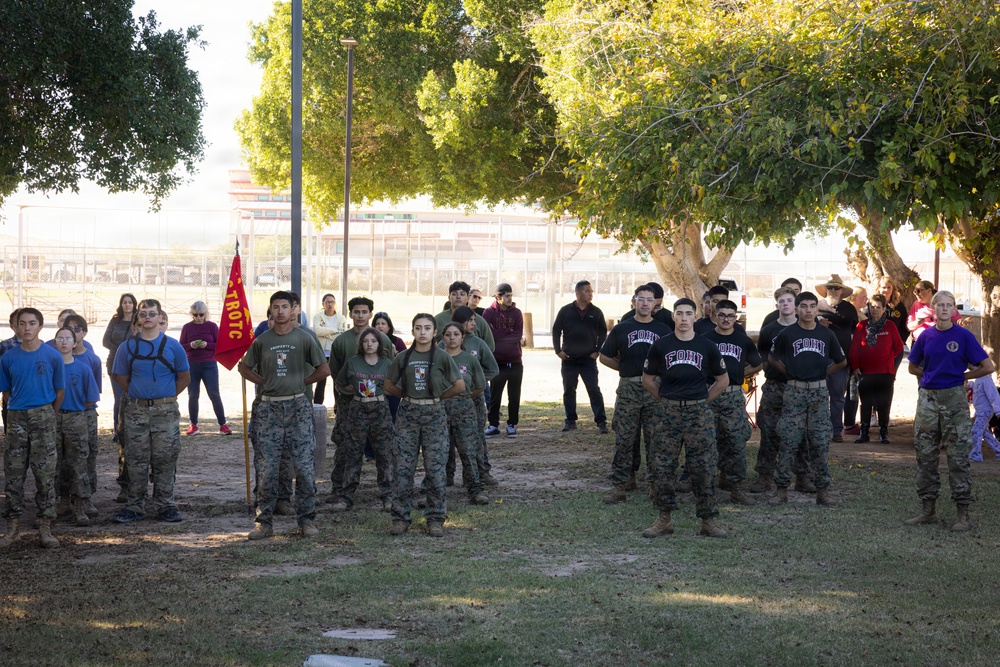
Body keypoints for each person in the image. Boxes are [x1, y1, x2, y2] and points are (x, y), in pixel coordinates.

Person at [239, 291, 329, 540]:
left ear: (294, 310)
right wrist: (263, 382)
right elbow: (244, 367)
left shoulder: (305, 338)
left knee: (303, 467)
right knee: (266, 467)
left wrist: (302, 382)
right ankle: (264, 522)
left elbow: (324, 369)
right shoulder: (262, 341)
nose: (280, 312)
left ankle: (307, 520)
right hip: (268, 409)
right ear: (270, 311)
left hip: (297, 408)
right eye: (275, 307)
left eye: (284, 307)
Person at [905, 290, 994, 532]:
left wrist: (962, 377)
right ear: (933, 309)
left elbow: (987, 366)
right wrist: (931, 377)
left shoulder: (963, 336)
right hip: (928, 400)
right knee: (926, 455)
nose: (944, 309)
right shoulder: (925, 336)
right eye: (940, 305)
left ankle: (962, 513)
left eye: (948, 305)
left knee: (957, 456)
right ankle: (928, 510)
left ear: (953, 310)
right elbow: (913, 366)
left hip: (954, 399)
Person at [641, 298, 730, 538]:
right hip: (668, 412)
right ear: (673, 317)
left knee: (704, 467)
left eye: (688, 313)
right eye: (679, 313)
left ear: (695, 316)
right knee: (662, 466)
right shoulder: (661, 346)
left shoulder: (707, 346)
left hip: (698, 413)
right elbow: (647, 379)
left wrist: (702, 401)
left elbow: (723, 380)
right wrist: (666, 399)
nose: (683, 318)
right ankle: (664, 519)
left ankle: (708, 521)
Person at [111, 299, 191, 524]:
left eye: (152, 313)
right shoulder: (126, 347)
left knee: (165, 458)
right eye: (143, 313)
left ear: (159, 318)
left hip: (165, 411)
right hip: (136, 411)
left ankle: (165, 505)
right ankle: (135, 505)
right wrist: (141, 394)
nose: (147, 317)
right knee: (135, 459)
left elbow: (184, 378)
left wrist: (164, 397)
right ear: (137, 318)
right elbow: (120, 377)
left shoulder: (173, 346)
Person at [384, 314, 464, 537]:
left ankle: (435, 518)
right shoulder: (402, 357)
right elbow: (389, 384)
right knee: (403, 468)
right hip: (408, 414)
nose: (422, 332)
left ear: (434, 332)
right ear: (412, 331)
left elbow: (459, 385)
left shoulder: (442, 356)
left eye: (427, 328)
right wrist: (408, 396)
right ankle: (400, 518)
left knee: (435, 469)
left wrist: (437, 397)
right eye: (418, 328)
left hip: (434, 413)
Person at [768, 291, 847, 506]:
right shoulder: (788, 333)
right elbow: (772, 358)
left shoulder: (826, 334)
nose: (808, 310)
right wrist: (790, 372)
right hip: (794, 391)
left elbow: (841, 361)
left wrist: (823, 373)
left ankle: (823, 490)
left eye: (813, 306)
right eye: (804, 306)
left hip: (819, 393)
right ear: (796, 308)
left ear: (816, 309)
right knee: (788, 440)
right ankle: (781, 489)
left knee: (820, 441)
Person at [0, 308, 65, 549]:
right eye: (22, 323)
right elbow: (5, 392)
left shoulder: (52, 355)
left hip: (44, 416)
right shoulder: (8, 358)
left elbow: (60, 391)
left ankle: (45, 527)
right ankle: (13, 529)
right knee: (14, 475)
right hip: (16, 418)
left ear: (40, 326)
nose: (27, 328)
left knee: (45, 475)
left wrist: (48, 414)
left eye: (32, 323)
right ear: (15, 327)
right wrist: (16, 410)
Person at [600, 285, 672, 503]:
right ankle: (620, 484)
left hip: (654, 389)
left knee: (655, 438)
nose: (644, 303)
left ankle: (654, 484)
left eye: (649, 300)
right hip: (629, 387)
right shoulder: (622, 328)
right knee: (624, 438)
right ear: (633, 302)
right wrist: (624, 368)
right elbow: (604, 356)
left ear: (655, 304)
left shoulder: (663, 331)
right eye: (640, 299)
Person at [327, 297, 395, 511]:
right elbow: (337, 376)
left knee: (384, 450)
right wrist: (344, 397)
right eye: (356, 312)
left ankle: (388, 493)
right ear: (350, 314)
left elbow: (393, 377)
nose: (360, 315)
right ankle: (341, 490)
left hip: (378, 407)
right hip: (352, 406)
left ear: (370, 314)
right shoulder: (341, 342)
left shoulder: (382, 342)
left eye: (364, 312)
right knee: (348, 447)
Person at [753, 287, 814, 493]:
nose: (785, 304)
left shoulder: (805, 328)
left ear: (795, 305)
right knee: (769, 431)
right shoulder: (769, 330)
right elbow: (762, 358)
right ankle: (764, 476)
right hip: (774, 386)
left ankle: (803, 477)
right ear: (777, 304)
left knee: (801, 432)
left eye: (789, 300)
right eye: (781, 301)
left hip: (798, 387)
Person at [703, 299, 763, 504]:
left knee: (736, 441)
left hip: (733, 395)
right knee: (708, 441)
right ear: (715, 316)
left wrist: (736, 374)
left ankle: (736, 487)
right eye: (722, 315)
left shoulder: (742, 339)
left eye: (730, 316)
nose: (726, 319)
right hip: (710, 393)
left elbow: (758, 364)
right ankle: (705, 488)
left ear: (735, 318)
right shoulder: (706, 338)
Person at [53, 326, 99, 526]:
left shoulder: (83, 368)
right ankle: (62, 501)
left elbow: (90, 399)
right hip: (53, 418)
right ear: (55, 342)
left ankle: (80, 506)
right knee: (55, 463)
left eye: (68, 338)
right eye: (60, 338)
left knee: (78, 462)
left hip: (76, 417)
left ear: (75, 342)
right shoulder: (50, 367)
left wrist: (75, 410)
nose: (64, 342)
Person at [447, 307, 499, 486]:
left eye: (473, 320)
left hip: (473, 398)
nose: (473, 324)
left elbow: (492, 369)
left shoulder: (478, 343)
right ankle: (447, 475)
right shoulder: (445, 343)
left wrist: (474, 383)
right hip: (448, 399)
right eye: (469, 320)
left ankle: (481, 472)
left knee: (476, 436)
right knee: (446, 438)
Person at [440, 321, 490, 505]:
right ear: (442, 337)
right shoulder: (438, 358)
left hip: (465, 409)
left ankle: (475, 490)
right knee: (440, 450)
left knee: (468, 450)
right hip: (441, 408)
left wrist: (463, 396)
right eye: (448, 334)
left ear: (462, 337)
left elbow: (480, 385)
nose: (452, 338)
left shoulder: (470, 359)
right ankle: (435, 490)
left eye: (456, 334)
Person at [552, 280, 608, 433]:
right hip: (569, 359)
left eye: (591, 291)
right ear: (578, 293)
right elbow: (556, 331)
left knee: (594, 390)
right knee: (569, 391)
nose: (591, 294)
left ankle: (601, 422)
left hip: (588, 361)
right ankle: (570, 421)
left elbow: (603, 333)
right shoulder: (565, 311)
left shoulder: (596, 312)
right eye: (587, 291)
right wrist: (558, 350)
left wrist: (598, 351)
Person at [848, 295, 903, 444]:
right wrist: (856, 367)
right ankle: (864, 433)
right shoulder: (862, 326)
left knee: (883, 403)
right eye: (872, 307)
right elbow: (855, 349)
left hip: (885, 372)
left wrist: (887, 357)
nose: (875, 310)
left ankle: (883, 433)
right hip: (865, 372)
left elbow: (898, 347)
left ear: (884, 308)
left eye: (878, 307)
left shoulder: (890, 326)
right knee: (866, 402)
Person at [63, 314, 102, 517]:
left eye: (77, 329)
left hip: (85, 414)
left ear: (84, 333)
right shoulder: (55, 357)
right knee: (62, 459)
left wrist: (81, 409)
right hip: (62, 414)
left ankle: (85, 499)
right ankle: (63, 499)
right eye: (68, 329)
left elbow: (93, 392)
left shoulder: (91, 359)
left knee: (86, 456)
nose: (73, 332)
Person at [815, 274, 858, 443]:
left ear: (842, 290)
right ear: (825, 290)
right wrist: (819, 323)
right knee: (819, 396)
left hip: (841, 359)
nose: (833, 290)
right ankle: (819, 429)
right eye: (830, 287)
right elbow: (804, 323)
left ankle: (836, 431)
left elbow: (857, 333)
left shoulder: (849, 309)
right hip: (819, 358)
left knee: (838, 396)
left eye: (836, 287)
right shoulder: (817, 306)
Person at [179, 301, 231, 436]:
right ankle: (193, 424)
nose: (198, 318)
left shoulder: (212, 326)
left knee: (214, 394)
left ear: (206, 314)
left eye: (201, 315)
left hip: (209, 364)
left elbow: (220, 344)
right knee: (193, 395)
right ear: (192, 315)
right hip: (191, 364)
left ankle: (223, 424)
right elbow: (181, 346)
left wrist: (206, 345)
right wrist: (191, 345)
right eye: (195, 315)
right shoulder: (187, 328)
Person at [483, 283, 524, 438]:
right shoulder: (488, 313)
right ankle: (493, 425)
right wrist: (507, 333)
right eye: (506, 296)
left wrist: (502, 336)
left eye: (511, 295)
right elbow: (490, 335)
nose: (510, 298)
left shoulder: (517, 313)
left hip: (515, 361)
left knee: (514, 395)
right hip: (497, 361)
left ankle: (512, 424)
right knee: (495, 395)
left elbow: (517, 335)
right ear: (498, 297)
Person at [103, 292, 137, 448]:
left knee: (132, 396)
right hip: (115, 363)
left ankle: (133, 427)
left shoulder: (138, 321)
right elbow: (105, 340)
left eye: (130, 302)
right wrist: (121, 349)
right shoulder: (115, 321)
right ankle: (118, 429)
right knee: (118, 397)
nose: (128, 305)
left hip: (134, 364)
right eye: (125, 302)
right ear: (121, 304)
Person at [435, 281, 495, 350]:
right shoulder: (438, 319)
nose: (458, 297)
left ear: (468, 298)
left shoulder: (478, 320)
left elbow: (490, 347)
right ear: (449, 298)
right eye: (454, 294)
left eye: (462, 294)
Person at [842, 285, 869, 435]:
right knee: (850, 391)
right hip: (850, 359)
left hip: (857, 359)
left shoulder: (861, 315)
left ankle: (850, 422)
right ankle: (849, 424)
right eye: (863, 296)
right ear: (853, 298)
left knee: (853, 391)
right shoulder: (852, 316)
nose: (866, 299)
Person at [313, 293, 347, 405]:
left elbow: (341, 334)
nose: (330, 304)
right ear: (323, 304)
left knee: (336, 380)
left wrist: (326, 332)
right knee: (321, 380)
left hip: (335, 353)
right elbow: (317, 331)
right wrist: (333, 331)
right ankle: (317, 405)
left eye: (332, 301)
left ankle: (338, 406)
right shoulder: (318, 316)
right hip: (322, 353)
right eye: (327, 302)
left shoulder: (341, 318)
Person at [969, 374, 1000, 462]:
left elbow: (993, 395)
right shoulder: (978, 380)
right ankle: (998, 450)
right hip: (980, 411)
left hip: (985, 411)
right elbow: (979, 399)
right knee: (984, 432)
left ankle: (976, 455)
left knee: (976, 431)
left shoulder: (986, 380)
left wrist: (998, 410)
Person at [0, 309, 22, 433]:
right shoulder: (4, 346)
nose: (24, 327)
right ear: (12, 326)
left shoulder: (41, 346)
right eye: (19, 323)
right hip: (11, 397)